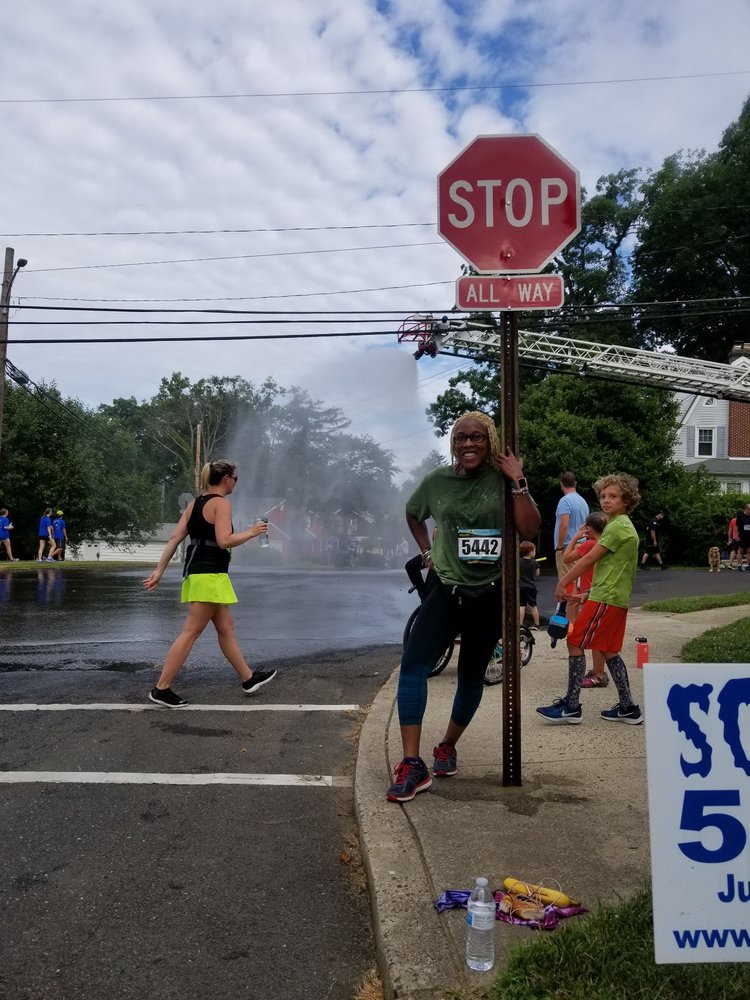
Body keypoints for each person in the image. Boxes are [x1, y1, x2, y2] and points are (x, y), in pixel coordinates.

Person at [386, 411, 540, 802]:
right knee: (414, 665)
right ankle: (411, 763)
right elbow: (412, 511)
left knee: (471, 674)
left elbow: (529, 529)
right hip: (446, 589)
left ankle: (447, 745)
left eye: (477, 437)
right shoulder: (437, 481)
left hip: (489, 595)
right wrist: (426, 553)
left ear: (489, 441)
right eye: (460, 438)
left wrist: (518, 480)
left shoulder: (503, 480)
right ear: (452, 443)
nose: (468, 444)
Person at [143, 458, 277, 707]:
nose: (236, 483)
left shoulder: (194, 504)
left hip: (202, 573)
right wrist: (252, 532)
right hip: (208, 575)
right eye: (235, 479)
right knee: (191, 631)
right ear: (226, 479)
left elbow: (174, 537)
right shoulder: (220, 504)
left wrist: (158, 571)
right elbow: (224, 540)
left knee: (226, 628)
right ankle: (161, 688)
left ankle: (248, 678)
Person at [537, 473, 643, 726]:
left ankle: (571, 707)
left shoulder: (616, 526)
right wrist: (585, 593)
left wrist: (563, 581)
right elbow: (614, 568)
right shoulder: (623, 525)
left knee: (574, 641)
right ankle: (628, 707)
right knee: (607, 649)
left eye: (613, 496)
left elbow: (587, 559)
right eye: (603, 496)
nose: (606, 501)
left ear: (626, 500)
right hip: (613, 597)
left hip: (606, 598)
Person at [562, 511, 609, 688]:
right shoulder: (606, 543)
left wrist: (575, 537)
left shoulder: (589, 544)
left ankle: (598, 674)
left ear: (589, 528)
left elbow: (566, 558)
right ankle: (598, 670)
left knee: (588, 636)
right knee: (598, 634)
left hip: (590, 594)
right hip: (600, 592)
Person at [554, 472, 589, 579]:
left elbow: (564, 525)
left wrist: (559, 547)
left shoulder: (565, 501)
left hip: (568, 547)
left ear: (561, 484)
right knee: (577, 583)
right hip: (582, 546)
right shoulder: (583, 501)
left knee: (566, 583)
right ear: (575, 483)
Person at [519, 540, 541, 628]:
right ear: (531, 551)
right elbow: (537, 574)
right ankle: (537, 624)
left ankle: (520, 624)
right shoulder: (534, 562)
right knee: (533, 606)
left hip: (520, 586)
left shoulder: (519, 561)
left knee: (521, 605)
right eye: (534, 551)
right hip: (531, 587)